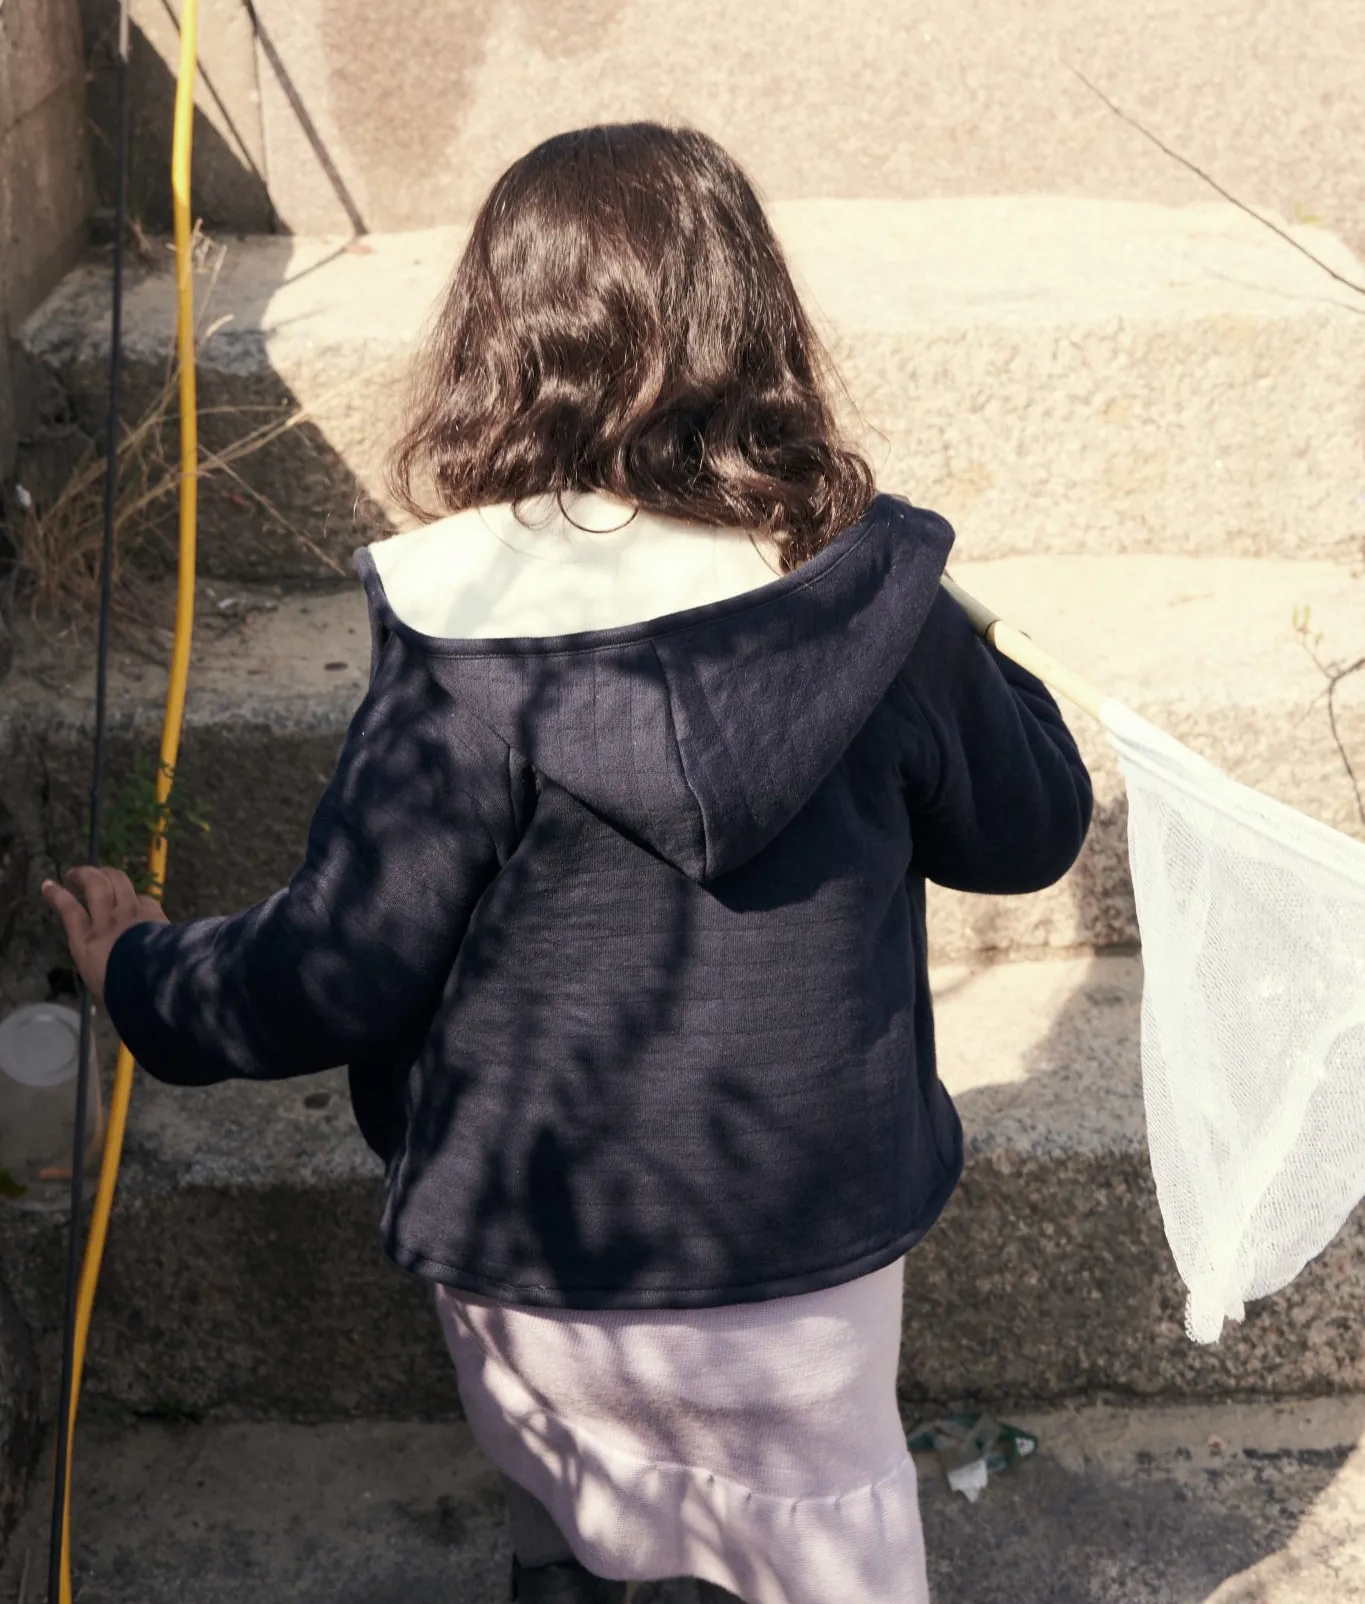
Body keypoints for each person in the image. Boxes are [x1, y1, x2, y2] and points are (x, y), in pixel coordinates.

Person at [46, 124, 1093, 1604]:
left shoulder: (466, 638)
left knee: (581, 1521)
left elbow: (330, 970)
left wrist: (145, 969)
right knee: (823, 1535)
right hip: (809, 1261)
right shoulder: (874, 603)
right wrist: (978, 656)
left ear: (497, 343)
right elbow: (1032, 830)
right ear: (758, 326)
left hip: (540, 1261)